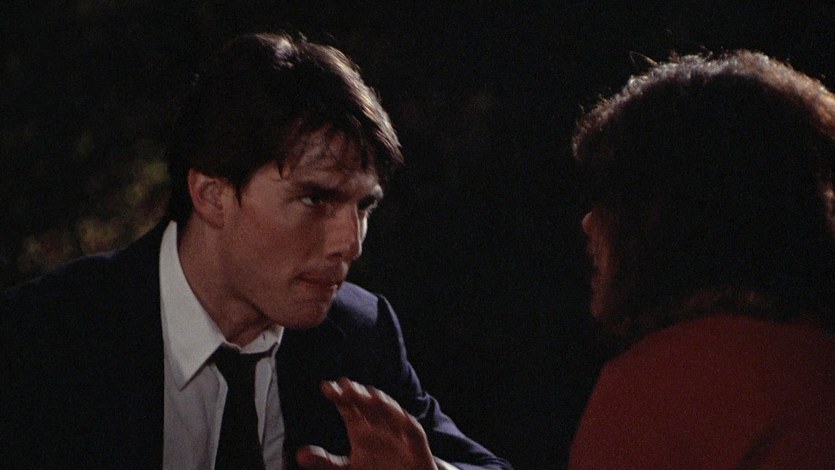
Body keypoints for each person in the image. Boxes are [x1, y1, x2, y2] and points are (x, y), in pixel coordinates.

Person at [0, 32, 511, 470]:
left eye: (363, 206)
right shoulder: (47, 338)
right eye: (315, 198)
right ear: (212, 196)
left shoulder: (357, 335)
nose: (350, 244)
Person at [568, 50, 835, 468]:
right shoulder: (814, 361)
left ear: (668, 215)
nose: (589, 222)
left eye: (615, 195)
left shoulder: (654, 388)